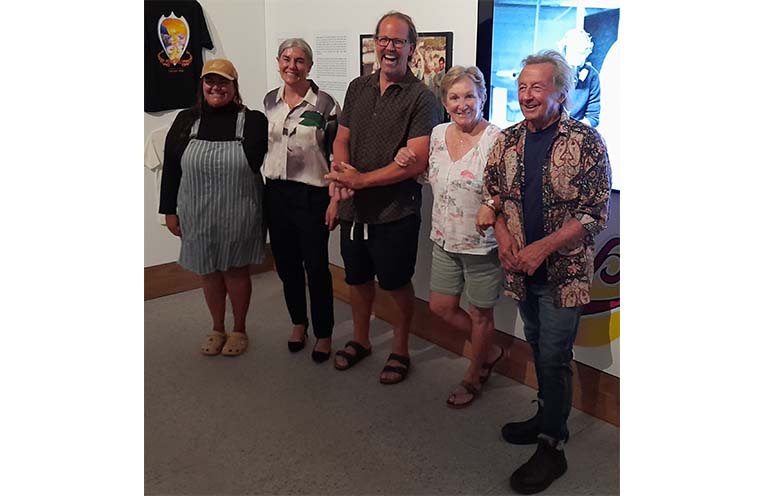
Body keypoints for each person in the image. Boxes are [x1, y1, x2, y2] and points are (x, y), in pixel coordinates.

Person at [479, 50, 611, 493]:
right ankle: (544, 415)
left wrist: (542, 248)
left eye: (537, 86)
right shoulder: (507, 140)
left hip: (563, 274)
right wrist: (504, 239)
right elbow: (493, 195)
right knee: (537, 346)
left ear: (561, 92)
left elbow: (594, 212)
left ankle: (553, 444)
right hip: (521, 270)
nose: (527, 95)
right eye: (522, 87)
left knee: (554, 356)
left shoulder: (586, 141)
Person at [324, 11, 441, 384]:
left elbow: (415, 161)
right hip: (354, 210)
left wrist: (360, 181)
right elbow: (342, 138)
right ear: (376, 43)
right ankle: (360, 340)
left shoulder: (423, 98)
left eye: (399, 41)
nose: (390, 47)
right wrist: (342, 174)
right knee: (357, 279)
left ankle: (401, 348)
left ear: (412, 47)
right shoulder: (357, 87)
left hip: (395, 212)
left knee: (395, 284)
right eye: (384, 39)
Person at [395, 65, 504, 407]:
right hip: (443, 237)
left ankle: (474, 374)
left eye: (469, 96)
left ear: (482, 97)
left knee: (480, 315)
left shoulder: (497, 139)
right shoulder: (438, 134)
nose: (462, 104)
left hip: (481, 245)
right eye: (454, 97)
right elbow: (423, 173)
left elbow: (511, 188)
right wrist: (404, 157)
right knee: (441, 307)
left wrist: (491, 203)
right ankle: (490, 350)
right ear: (444, 102)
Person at [159, 58, 269, 357]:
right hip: (196, 210)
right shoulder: (185, 120)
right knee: (208, 270)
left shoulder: (254, 121)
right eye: (210, 81)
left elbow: (257, 164)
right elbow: (171, 168)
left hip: (239, 210)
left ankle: (239, 329)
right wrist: (169, 210)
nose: (216, 87)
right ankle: (217, 327)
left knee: (235, 271)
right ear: (202, 85)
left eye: (223, 82)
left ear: (234, 86)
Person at [262, 39, 341, 363]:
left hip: (312, 194)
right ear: (278, 61)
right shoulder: (270, 100)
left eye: (299, 60)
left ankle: (324, 332)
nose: (291, 66)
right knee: (286, 264)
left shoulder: (325, 104)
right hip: (276, 192)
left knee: (316, 266)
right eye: (286, 59)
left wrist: (335, 199)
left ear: (310, 66)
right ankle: (298, 323)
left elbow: (337, 155)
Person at [558, 28, 600, 127]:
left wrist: (574, 129)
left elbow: (593, 118)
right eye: (574, 52)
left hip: (577, 130)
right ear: (565, 49)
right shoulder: (550, 71)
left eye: (582, 53)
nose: (579, 57)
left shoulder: (592, 75)